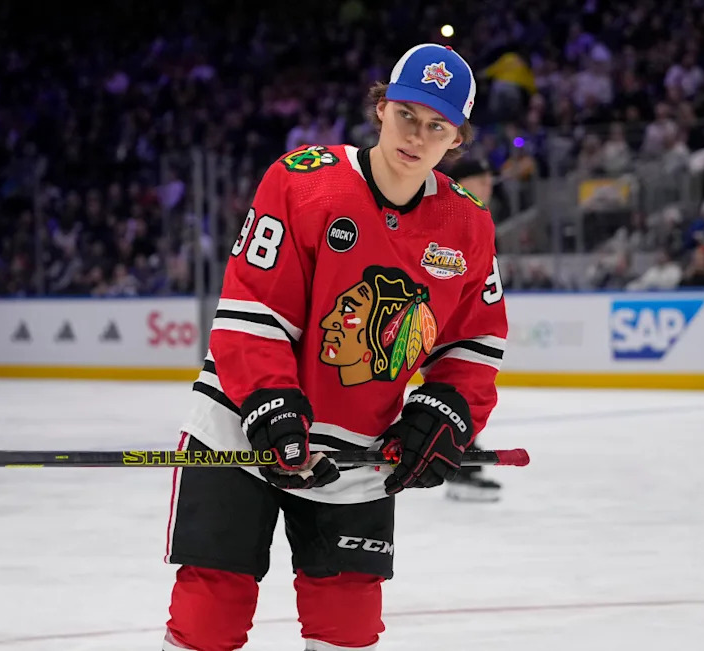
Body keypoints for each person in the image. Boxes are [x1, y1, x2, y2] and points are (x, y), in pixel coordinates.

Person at [163, 43, 508, 651]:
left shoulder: (467, 223)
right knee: (208, 619)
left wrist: (448, 410)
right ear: (381, 108)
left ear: (456, 138)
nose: (416, 135)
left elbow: (473, 340)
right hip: (240, 430)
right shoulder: (303, 181)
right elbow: (253, 308)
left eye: (436, 126)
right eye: (406, 114)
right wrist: (269, 401)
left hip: (358, 455)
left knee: (347, 631)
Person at [442, 156, 503, 503]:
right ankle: (459, 466)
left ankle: (462, 461)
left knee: (462, 390)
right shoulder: (452, 217)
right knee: (455, 388)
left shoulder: (478, 218)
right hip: (444, 321)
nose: (488, 185)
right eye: (481, 179)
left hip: (459, 319)